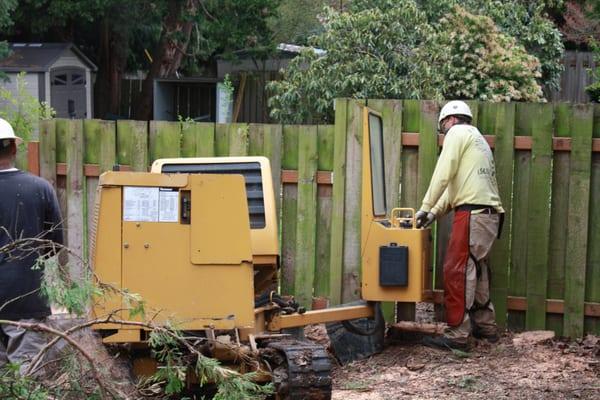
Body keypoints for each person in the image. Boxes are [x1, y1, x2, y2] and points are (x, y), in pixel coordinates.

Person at [415, 101, 504, 350]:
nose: (444, 132)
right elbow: (456, 185)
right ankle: (486, 329)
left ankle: (458, 335)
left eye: (443, 127)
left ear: (450, 120)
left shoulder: (457, 133)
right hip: (488, 215)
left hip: (472, 214)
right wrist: (433, 213)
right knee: (476, 269)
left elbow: (444, 172)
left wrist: (424, 205)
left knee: (457, 271)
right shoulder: (476, 138)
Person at [0, 118, 63, 373]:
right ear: (15, 148)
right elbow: (54, 245)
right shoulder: (40, 188)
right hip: (26, 298)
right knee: (28, 382)